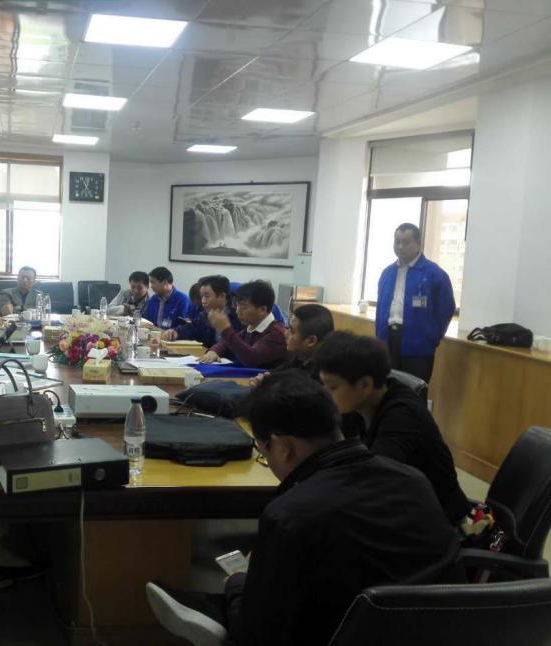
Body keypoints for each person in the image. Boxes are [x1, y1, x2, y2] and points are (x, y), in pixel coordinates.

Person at [145, 372, 461, 646]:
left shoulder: (291, 516)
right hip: (444, 631)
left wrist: (238, 581)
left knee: (241, 597)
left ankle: (216, 610)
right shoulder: (413, 479)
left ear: (283, 447)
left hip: (335, 633)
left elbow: (258, 635)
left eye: (263, 450)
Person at [316, 331, 470, 525]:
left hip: (437, 524)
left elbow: (373, 482)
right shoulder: (359, 403)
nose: (325, 393)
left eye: (332, 387)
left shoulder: (403, 417)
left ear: (365, 385)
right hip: (398, 508)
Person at [376, 223, 456, 383]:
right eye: (397, 241)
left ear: (419, 244)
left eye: (406, 242)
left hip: (418, 345)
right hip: (388, 340)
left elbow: (446, 309)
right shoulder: (387, 273)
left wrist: (432, 336)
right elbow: (380, 307)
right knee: (387, 388)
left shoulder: (434, 274)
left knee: (414, 389)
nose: (400, 247)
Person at [200, 280, 287, 368]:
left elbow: (251, 358)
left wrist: (225, 329)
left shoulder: (277, 333)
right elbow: (226, 343)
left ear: (262, 310)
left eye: (244, 307)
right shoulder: (252, 327)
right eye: (237, 305)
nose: (238, 311)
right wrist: (213, 351)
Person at [249, 303, 335, 386]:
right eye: (287, 328)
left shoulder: (325, 375)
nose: (285, 333)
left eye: (292, 331)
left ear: (311, 341)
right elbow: (276, 374)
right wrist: (265, 379)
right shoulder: (300, 357)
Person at [163, 275, 242, 347]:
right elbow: (193, 328)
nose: (203, 301)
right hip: (209, 356)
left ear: (222, 296)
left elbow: (236, 345)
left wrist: (215, 351)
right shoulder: (205, 315)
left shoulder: (239, 316)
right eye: (202, 296)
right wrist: (176, 332)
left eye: (207, 296)